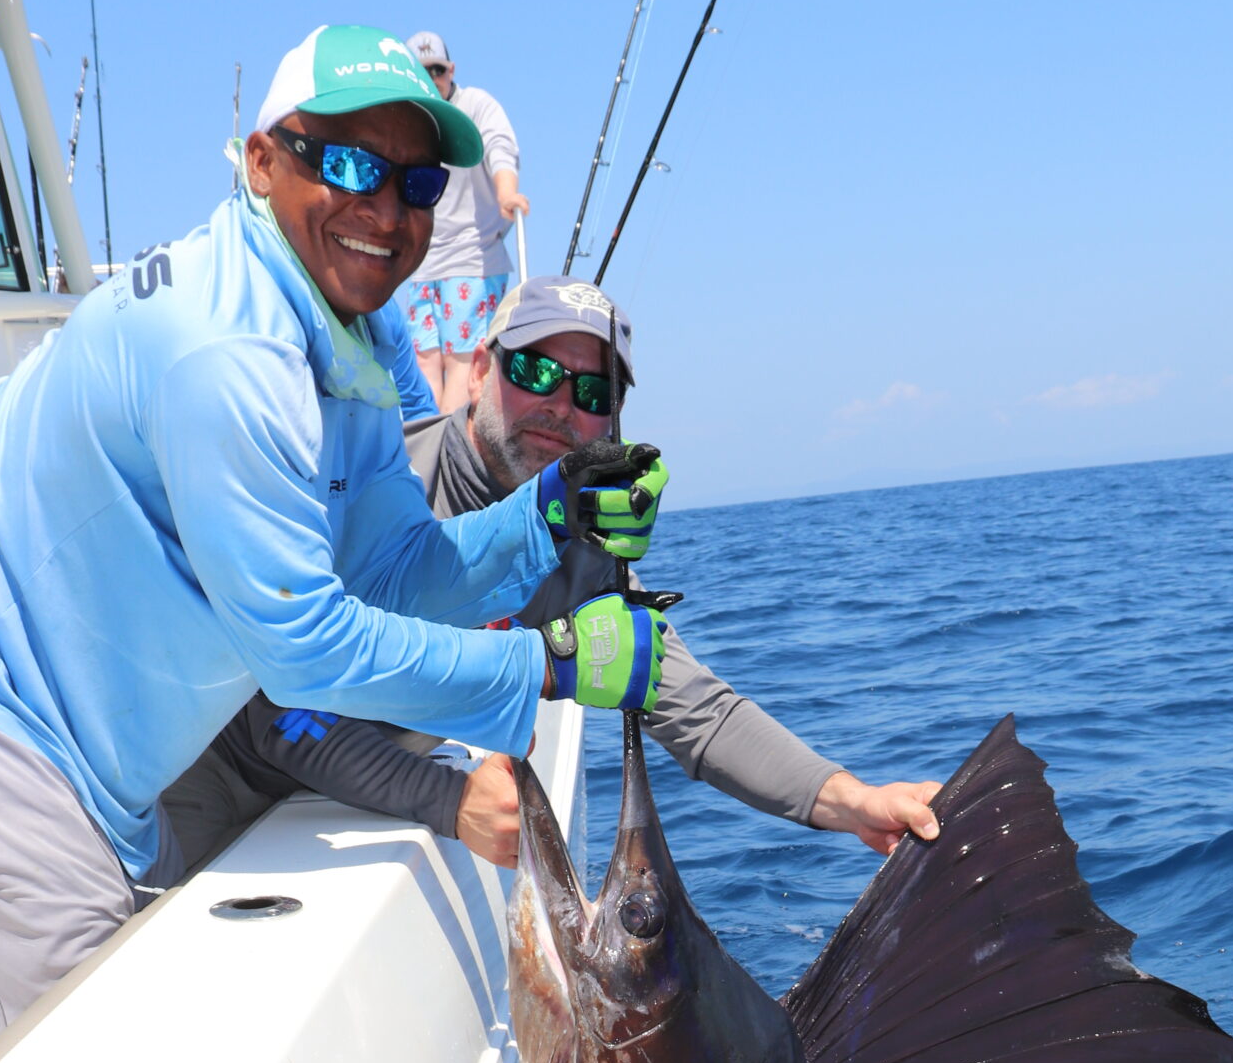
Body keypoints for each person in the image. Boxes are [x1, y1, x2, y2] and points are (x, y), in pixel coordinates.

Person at [0, 32, 668, 1063]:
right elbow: (304, 648)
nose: (386, 211)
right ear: (263, 161)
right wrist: (547, 666)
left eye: (415, 181)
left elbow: (396, 567)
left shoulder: (351, 335)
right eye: (347, 165)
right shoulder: (229, 346)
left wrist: (546, 512)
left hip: (72, 752)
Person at [163, 278, 941, 874]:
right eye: (534, 369)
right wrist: (449, 800)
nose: (559, 404)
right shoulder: (385, 476)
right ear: (478, 369)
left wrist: (853, 801)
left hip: (351, 798)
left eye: (593, 391)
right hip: (210, 772)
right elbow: (283, 710)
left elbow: (688, 701)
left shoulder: (585, 540)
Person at [401, 31, 527, 414]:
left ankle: (440, 455)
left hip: (473, 261)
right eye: (422, 74)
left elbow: (500, 147)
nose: (432, 80)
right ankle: (422, 457)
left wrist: (507, 194)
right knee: (423, 363)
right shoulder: (407, 119)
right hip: (422, 264)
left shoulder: (476, 104)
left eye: (437, 71)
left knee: (460, 364)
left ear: (451, 70)